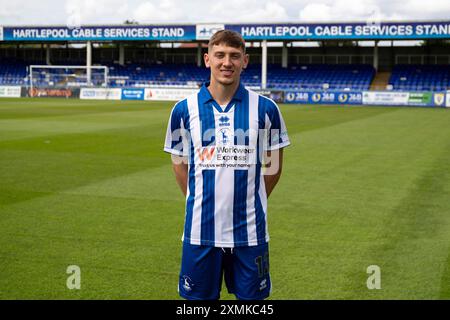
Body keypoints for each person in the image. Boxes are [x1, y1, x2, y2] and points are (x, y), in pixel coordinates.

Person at [163, 30, 290, 300]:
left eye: (234, 56)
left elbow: (274, 166)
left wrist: (251, 201)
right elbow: (178, 164)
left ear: (245, 60)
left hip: (250, 233)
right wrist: (198, 199)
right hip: (200, 232)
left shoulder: (266, 109)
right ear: (207, 59)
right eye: (219, 55)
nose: (226, 62)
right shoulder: (183, 110)